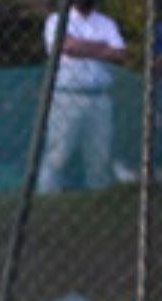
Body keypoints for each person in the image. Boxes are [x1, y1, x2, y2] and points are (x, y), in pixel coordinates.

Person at [37, 1, 129, 194]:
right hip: (67, 95)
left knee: (100, 154)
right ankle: (47, 197)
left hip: (100, 96)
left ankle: (98, 199)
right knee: (58, 153)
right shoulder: (57, 20)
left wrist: (84, 48)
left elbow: (120, 54)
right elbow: (68, 46)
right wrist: (103, 48)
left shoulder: (106, 23)